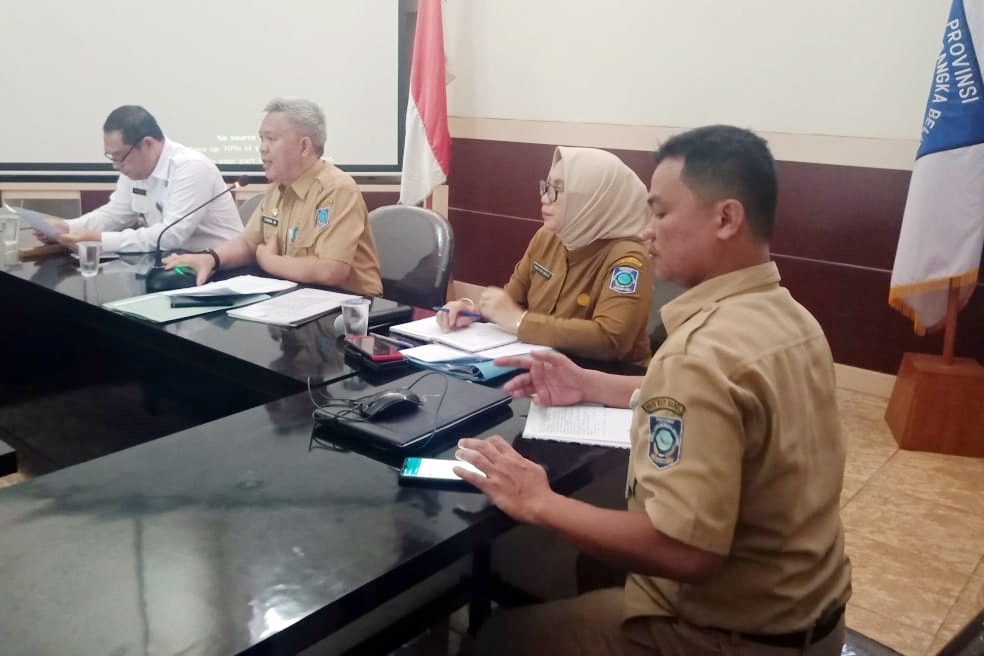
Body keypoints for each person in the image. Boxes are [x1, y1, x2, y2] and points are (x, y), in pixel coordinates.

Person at [455, 126, 852, 655]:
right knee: (590, 567)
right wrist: (589, 382)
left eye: (661, 213)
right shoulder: (792, 317)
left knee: (499, 638)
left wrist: (540, 502)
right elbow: (720, 400)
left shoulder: (699, 353)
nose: (646, 231)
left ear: (726, 218)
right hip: (810, 616)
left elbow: (686, 551)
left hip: (724, 635)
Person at [436, 147, 654, 363]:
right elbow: (511, 301)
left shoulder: (628, 258)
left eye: (557, 189)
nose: (545, 198)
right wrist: (472, 311)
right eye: (547, 187)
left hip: (605, 375)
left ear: (594, 200)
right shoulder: (548, 236)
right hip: (545, 364)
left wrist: (520, 322)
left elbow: (610, 340)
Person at [164, 98, 383, 296]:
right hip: (295, 297)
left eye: (271, 139)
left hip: (350, 308)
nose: (262, 148)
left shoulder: (336, 189)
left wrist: (269, 261)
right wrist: (210, 258)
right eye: (261, 139)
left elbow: (330, 271)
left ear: (304, 146)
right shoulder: (278, 188)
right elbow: (248, 243)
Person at [38, 105, 243, 253]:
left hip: (222, 272)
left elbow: (169, 236)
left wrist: (100, 240)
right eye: (111, 157)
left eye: (120, 157)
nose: (116, 165)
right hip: (175, 265)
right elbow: (115, 214)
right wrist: (68, 228)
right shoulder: (135, 170)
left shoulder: (191, 167)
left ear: (147, 144)